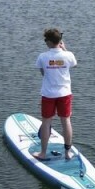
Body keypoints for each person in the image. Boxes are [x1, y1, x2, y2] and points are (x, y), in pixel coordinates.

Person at [33, 28, 77, 161]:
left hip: (48, 94)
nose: (45, 42)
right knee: (66, 121)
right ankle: (68, 153)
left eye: (46, 40)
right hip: (65, 93)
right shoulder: (69, 55)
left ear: (50, 42)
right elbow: (73, 64)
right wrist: (64, 50)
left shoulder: (42, 57)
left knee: (46, 122)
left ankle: (42, 153)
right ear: (60, 41)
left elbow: (43, 74)